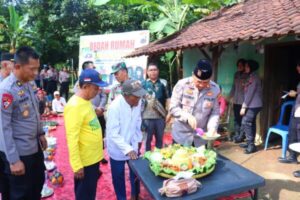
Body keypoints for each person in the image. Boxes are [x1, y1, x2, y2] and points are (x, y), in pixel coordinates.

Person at [0, 46, 47, 200]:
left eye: (37, 68)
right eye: (32, 69)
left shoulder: (27, 83)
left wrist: (40, 133)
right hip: (19, 154)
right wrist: (13, 160)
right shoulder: (6, 90)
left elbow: (33, 111)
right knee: (21, 194)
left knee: (37, 185)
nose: (36, 73)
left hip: (34, 148)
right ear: (17, 67)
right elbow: (3, 128)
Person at [64, 68, 108, 200]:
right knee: (84, 195)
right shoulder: (75, 106)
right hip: (85, 162)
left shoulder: (86, 101)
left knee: (90, 193)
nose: (98, 91)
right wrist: (77, 166)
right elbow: (72, 138)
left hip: (93, 158)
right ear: (85, 86)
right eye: (96, 87)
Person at [106, 79, 147, 200]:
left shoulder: (137, 102)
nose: (139, 99)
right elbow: (113, 133)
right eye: (136, 96)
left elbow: (137, 122)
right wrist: (128, 149)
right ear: (126, 95)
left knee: (135, 173)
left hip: (132, 144)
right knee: (118, 176)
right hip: (117, 149)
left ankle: (135, 195)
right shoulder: (114, 107)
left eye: (140, 96)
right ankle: (121, 198)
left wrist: (137, 141)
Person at [169, 59, 220, 147]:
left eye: (205, 82)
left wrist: (212, 128)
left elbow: (215, 112)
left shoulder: (215, 89)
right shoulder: (182, 85)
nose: (202, 85)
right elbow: (173, 107)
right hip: (181, 136)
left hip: (200, 139)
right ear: (193, 75)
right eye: (199, 81)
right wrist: (186, 116)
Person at [142, 63, 170, 151]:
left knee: (159, 139)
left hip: (160, 116)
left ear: (158, 71)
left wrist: (168, 114)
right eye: (151, 70)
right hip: (147, 117)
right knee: (147, 140)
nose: (153, 72)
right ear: (147, 72)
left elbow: (168, 99)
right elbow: (139, 101)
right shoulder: (143, 84)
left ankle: (158, 158)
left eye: (155, 70)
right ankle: (147, 157)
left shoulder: (164, 83)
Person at [279, 61, 300, 171]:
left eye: (298, 66)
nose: (297, 69)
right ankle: (292, 157)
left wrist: (296, 94)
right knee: (293, 134)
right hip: (296, 112)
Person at [239, 60, 262, 154]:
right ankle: (250, 143)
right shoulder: (252, 76)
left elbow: (250, 93)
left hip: (254, 104)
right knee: (250, 123)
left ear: (251, 67)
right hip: (254, 104)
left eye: (247, 66)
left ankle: (251, 145)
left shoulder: (254, 78)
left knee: (246, 122)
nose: (245, 68)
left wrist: (244, 106)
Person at [229, 58, 248, 142]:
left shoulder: (248, 75)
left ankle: (242, 136)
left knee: (243, 119)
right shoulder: (236, 74)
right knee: (236, 119)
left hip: (243, 101)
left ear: (244, 66)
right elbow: (233, 86)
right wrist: (230, 97)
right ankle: (237, 135)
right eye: (238, 65)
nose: (239, 67)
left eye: (241, 65)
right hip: (236, 101)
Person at [91, 88, 109, 164]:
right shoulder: (84, 83)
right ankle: (93, 157)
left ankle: (100, 156)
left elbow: (104, 96)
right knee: (93, 136)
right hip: (92, 116)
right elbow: (84, 99)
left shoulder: (99, 84)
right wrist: (95, 109)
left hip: (100, 115)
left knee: (101, 135)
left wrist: (101, 107)